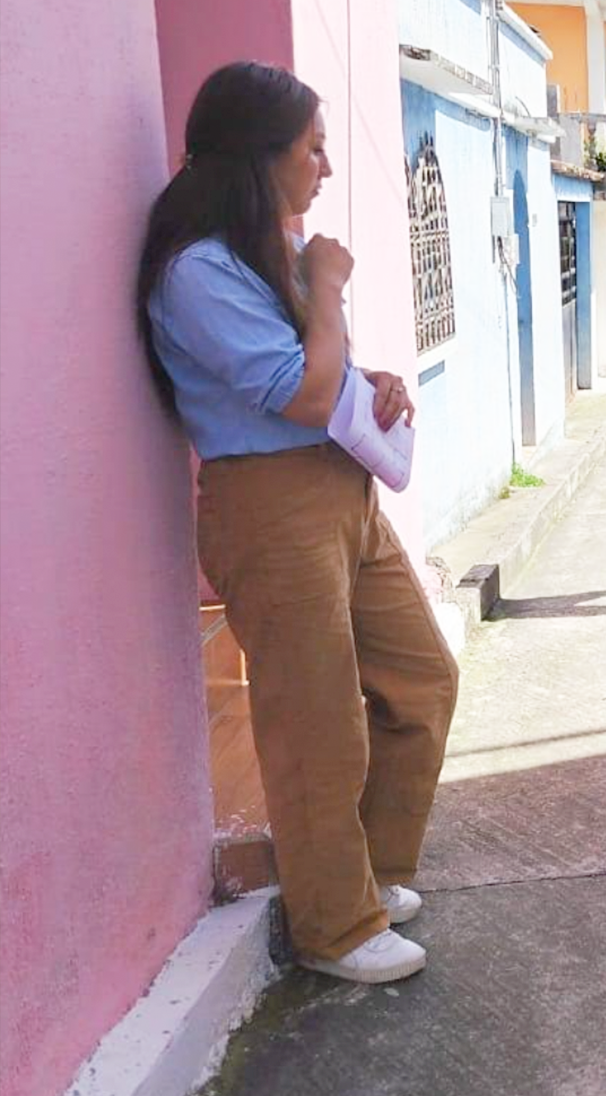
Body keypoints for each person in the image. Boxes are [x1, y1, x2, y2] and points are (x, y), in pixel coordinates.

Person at [139, 62, 457, 984]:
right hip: (271, 504)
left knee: (421, 679)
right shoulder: (198, 270)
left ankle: (369, 875)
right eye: (312, 148)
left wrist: (371, 380)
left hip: (340, 487)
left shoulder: (262, 256)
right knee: (315, 720)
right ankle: (333, 924)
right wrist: (325, 285)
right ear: (259, 154)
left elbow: (323, 382)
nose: (325, 166)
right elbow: (301, 393)